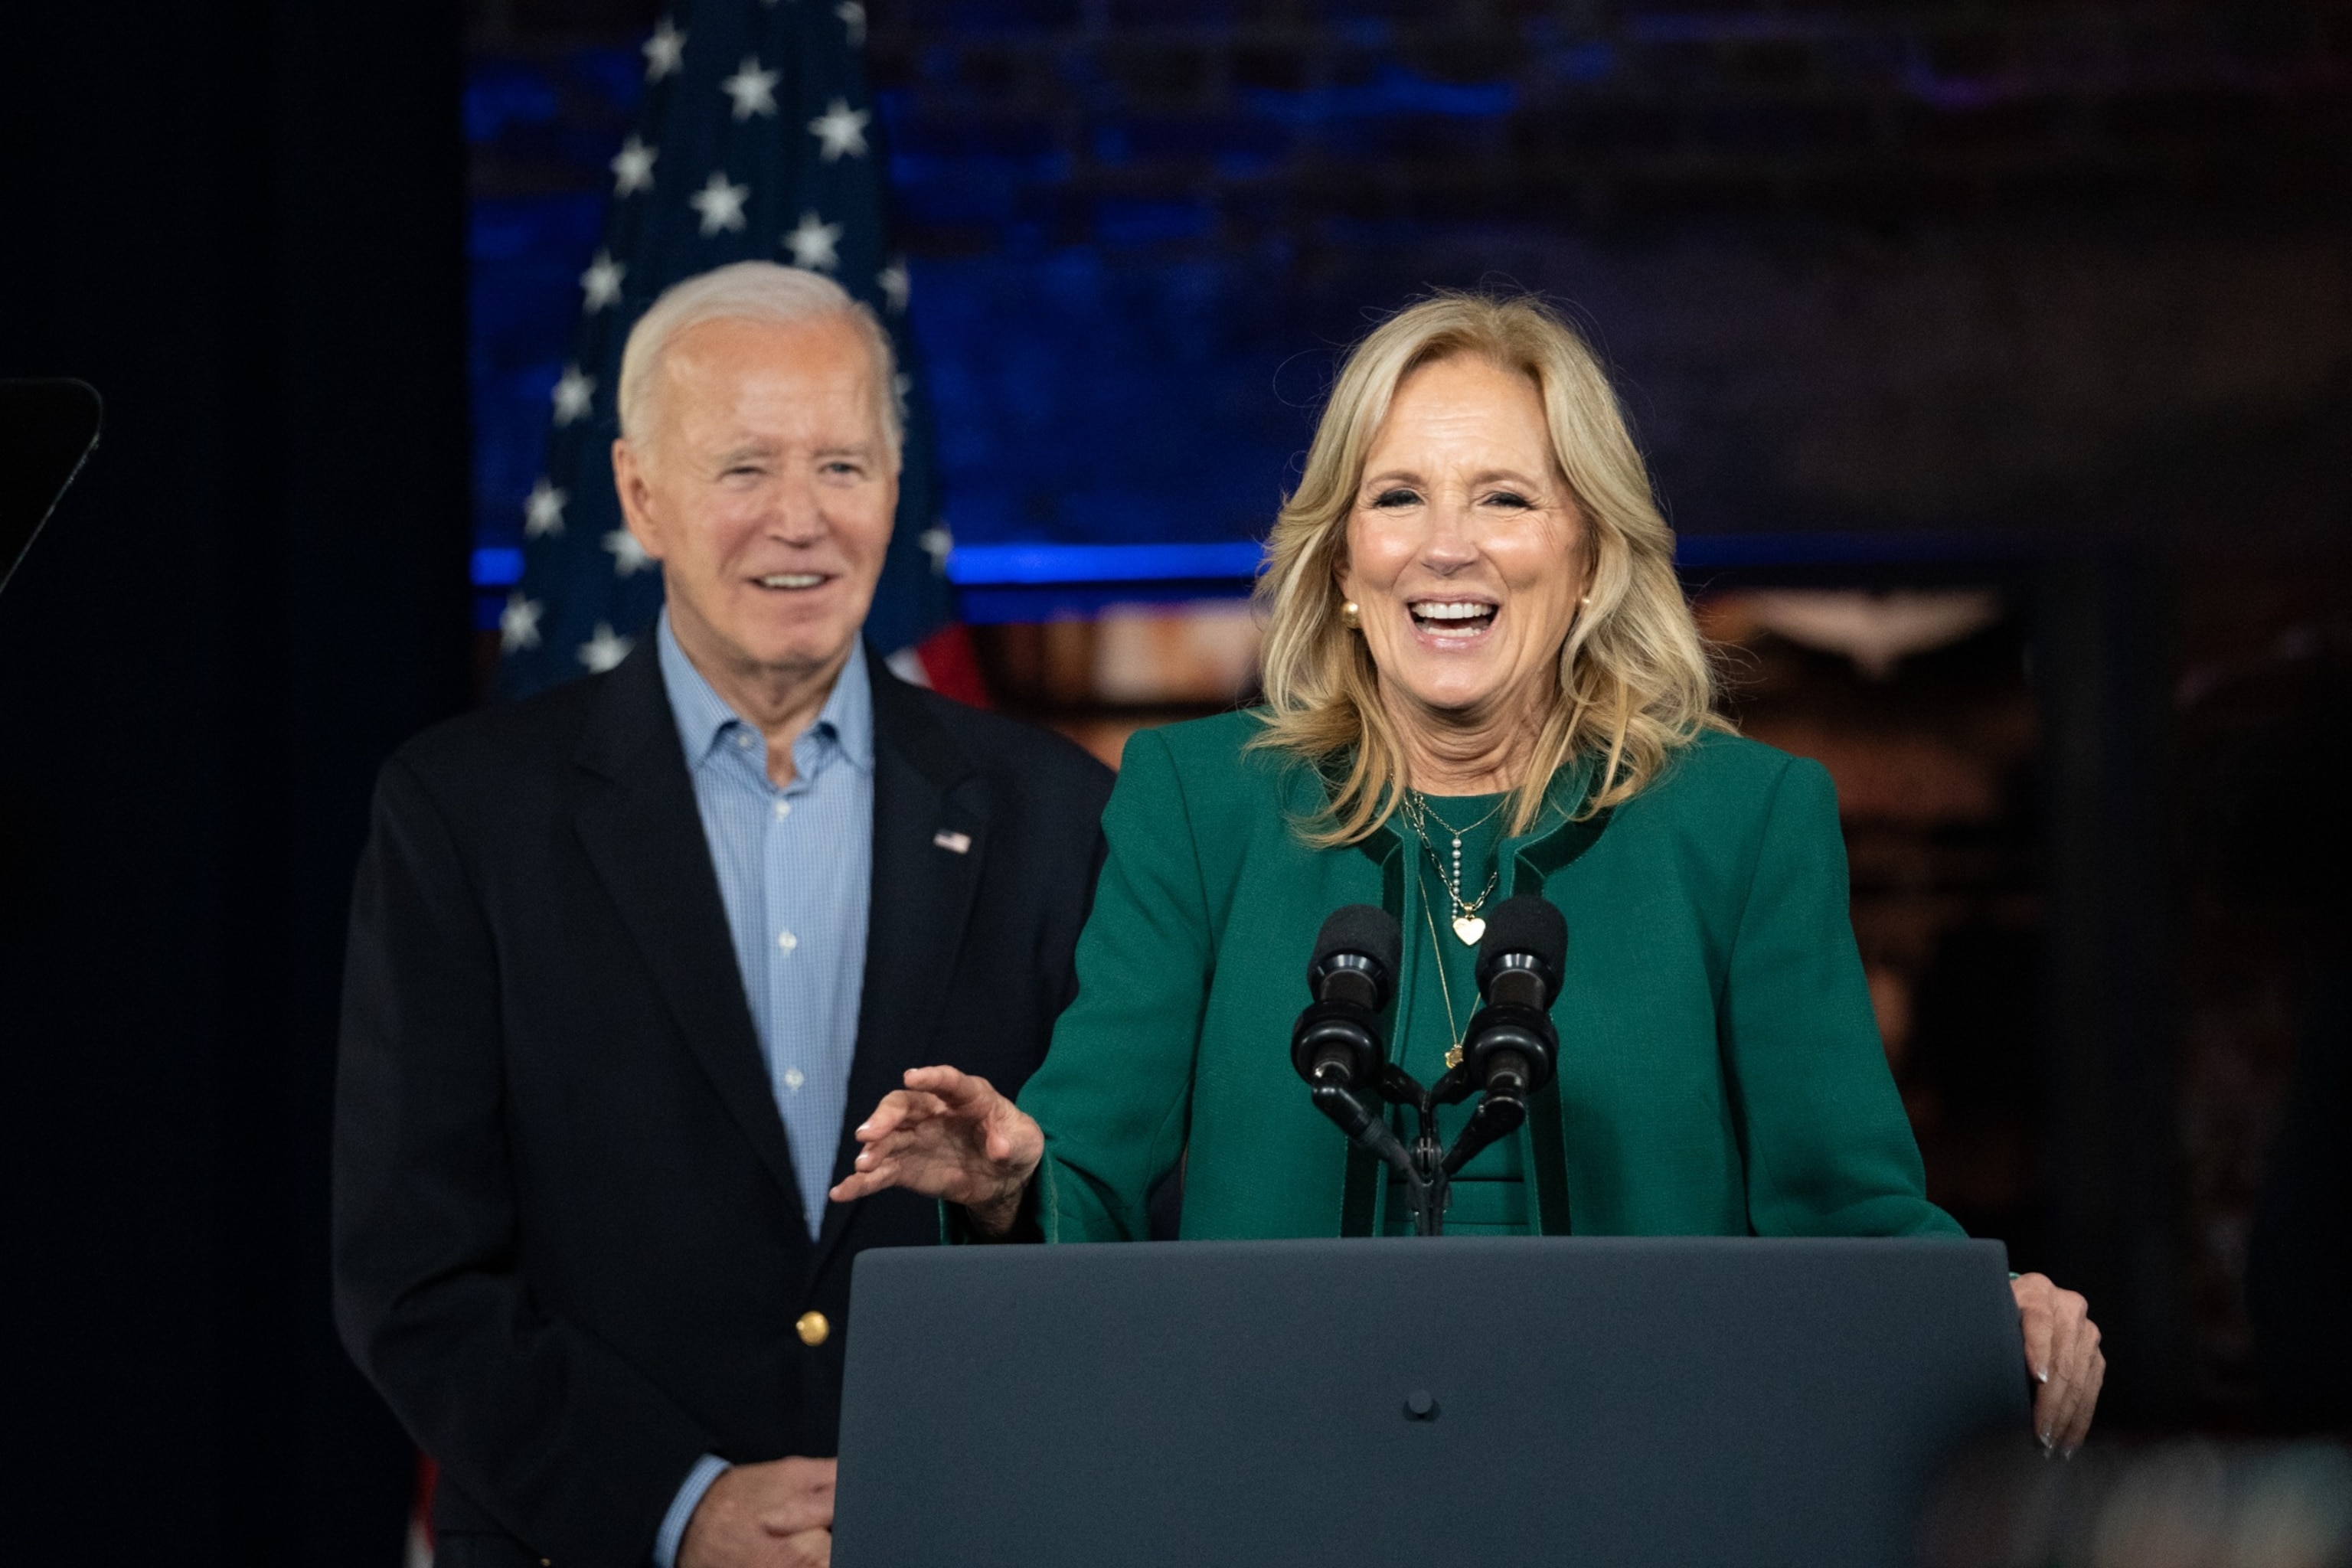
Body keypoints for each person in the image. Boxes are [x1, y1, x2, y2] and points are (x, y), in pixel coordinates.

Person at [831, 291, 2106, 1455]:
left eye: (1504, 497)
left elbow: (1847, 1212)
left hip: (1646, 1477)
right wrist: (1010, 1183)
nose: (1448, 548)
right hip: (1278, 1476)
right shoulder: (1199, 804)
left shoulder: (1745, 820)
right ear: (1338, 566)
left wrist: (1975, 1304)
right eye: (1397, 499)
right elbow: (1090, 1167)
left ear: (1593, 556)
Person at [333, 262, 1113, 1568]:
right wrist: (679, 1504)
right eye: (745, 468)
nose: (799, 522)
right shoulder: (463, 815)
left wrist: (1004, 1199)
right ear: (641, 494)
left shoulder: (1059, 815)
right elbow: (413, 1274)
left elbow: (1131, 1217)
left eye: (845, 468)